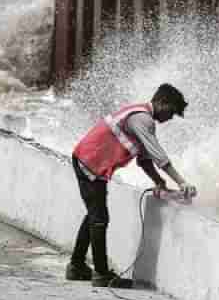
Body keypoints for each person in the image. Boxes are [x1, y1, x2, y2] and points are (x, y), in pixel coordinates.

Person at [69, 83, 195, 287]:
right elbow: (158, 155)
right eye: (172, 112)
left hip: (89, 161)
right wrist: (182, 182)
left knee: (94, 215)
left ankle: (76, 267)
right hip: (90, 163)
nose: (171, 118)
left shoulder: (140, 116)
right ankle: (101, 274)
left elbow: (144, 160)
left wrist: (160, 182)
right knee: (99, 218)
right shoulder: (143, 119)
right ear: (162, 102)